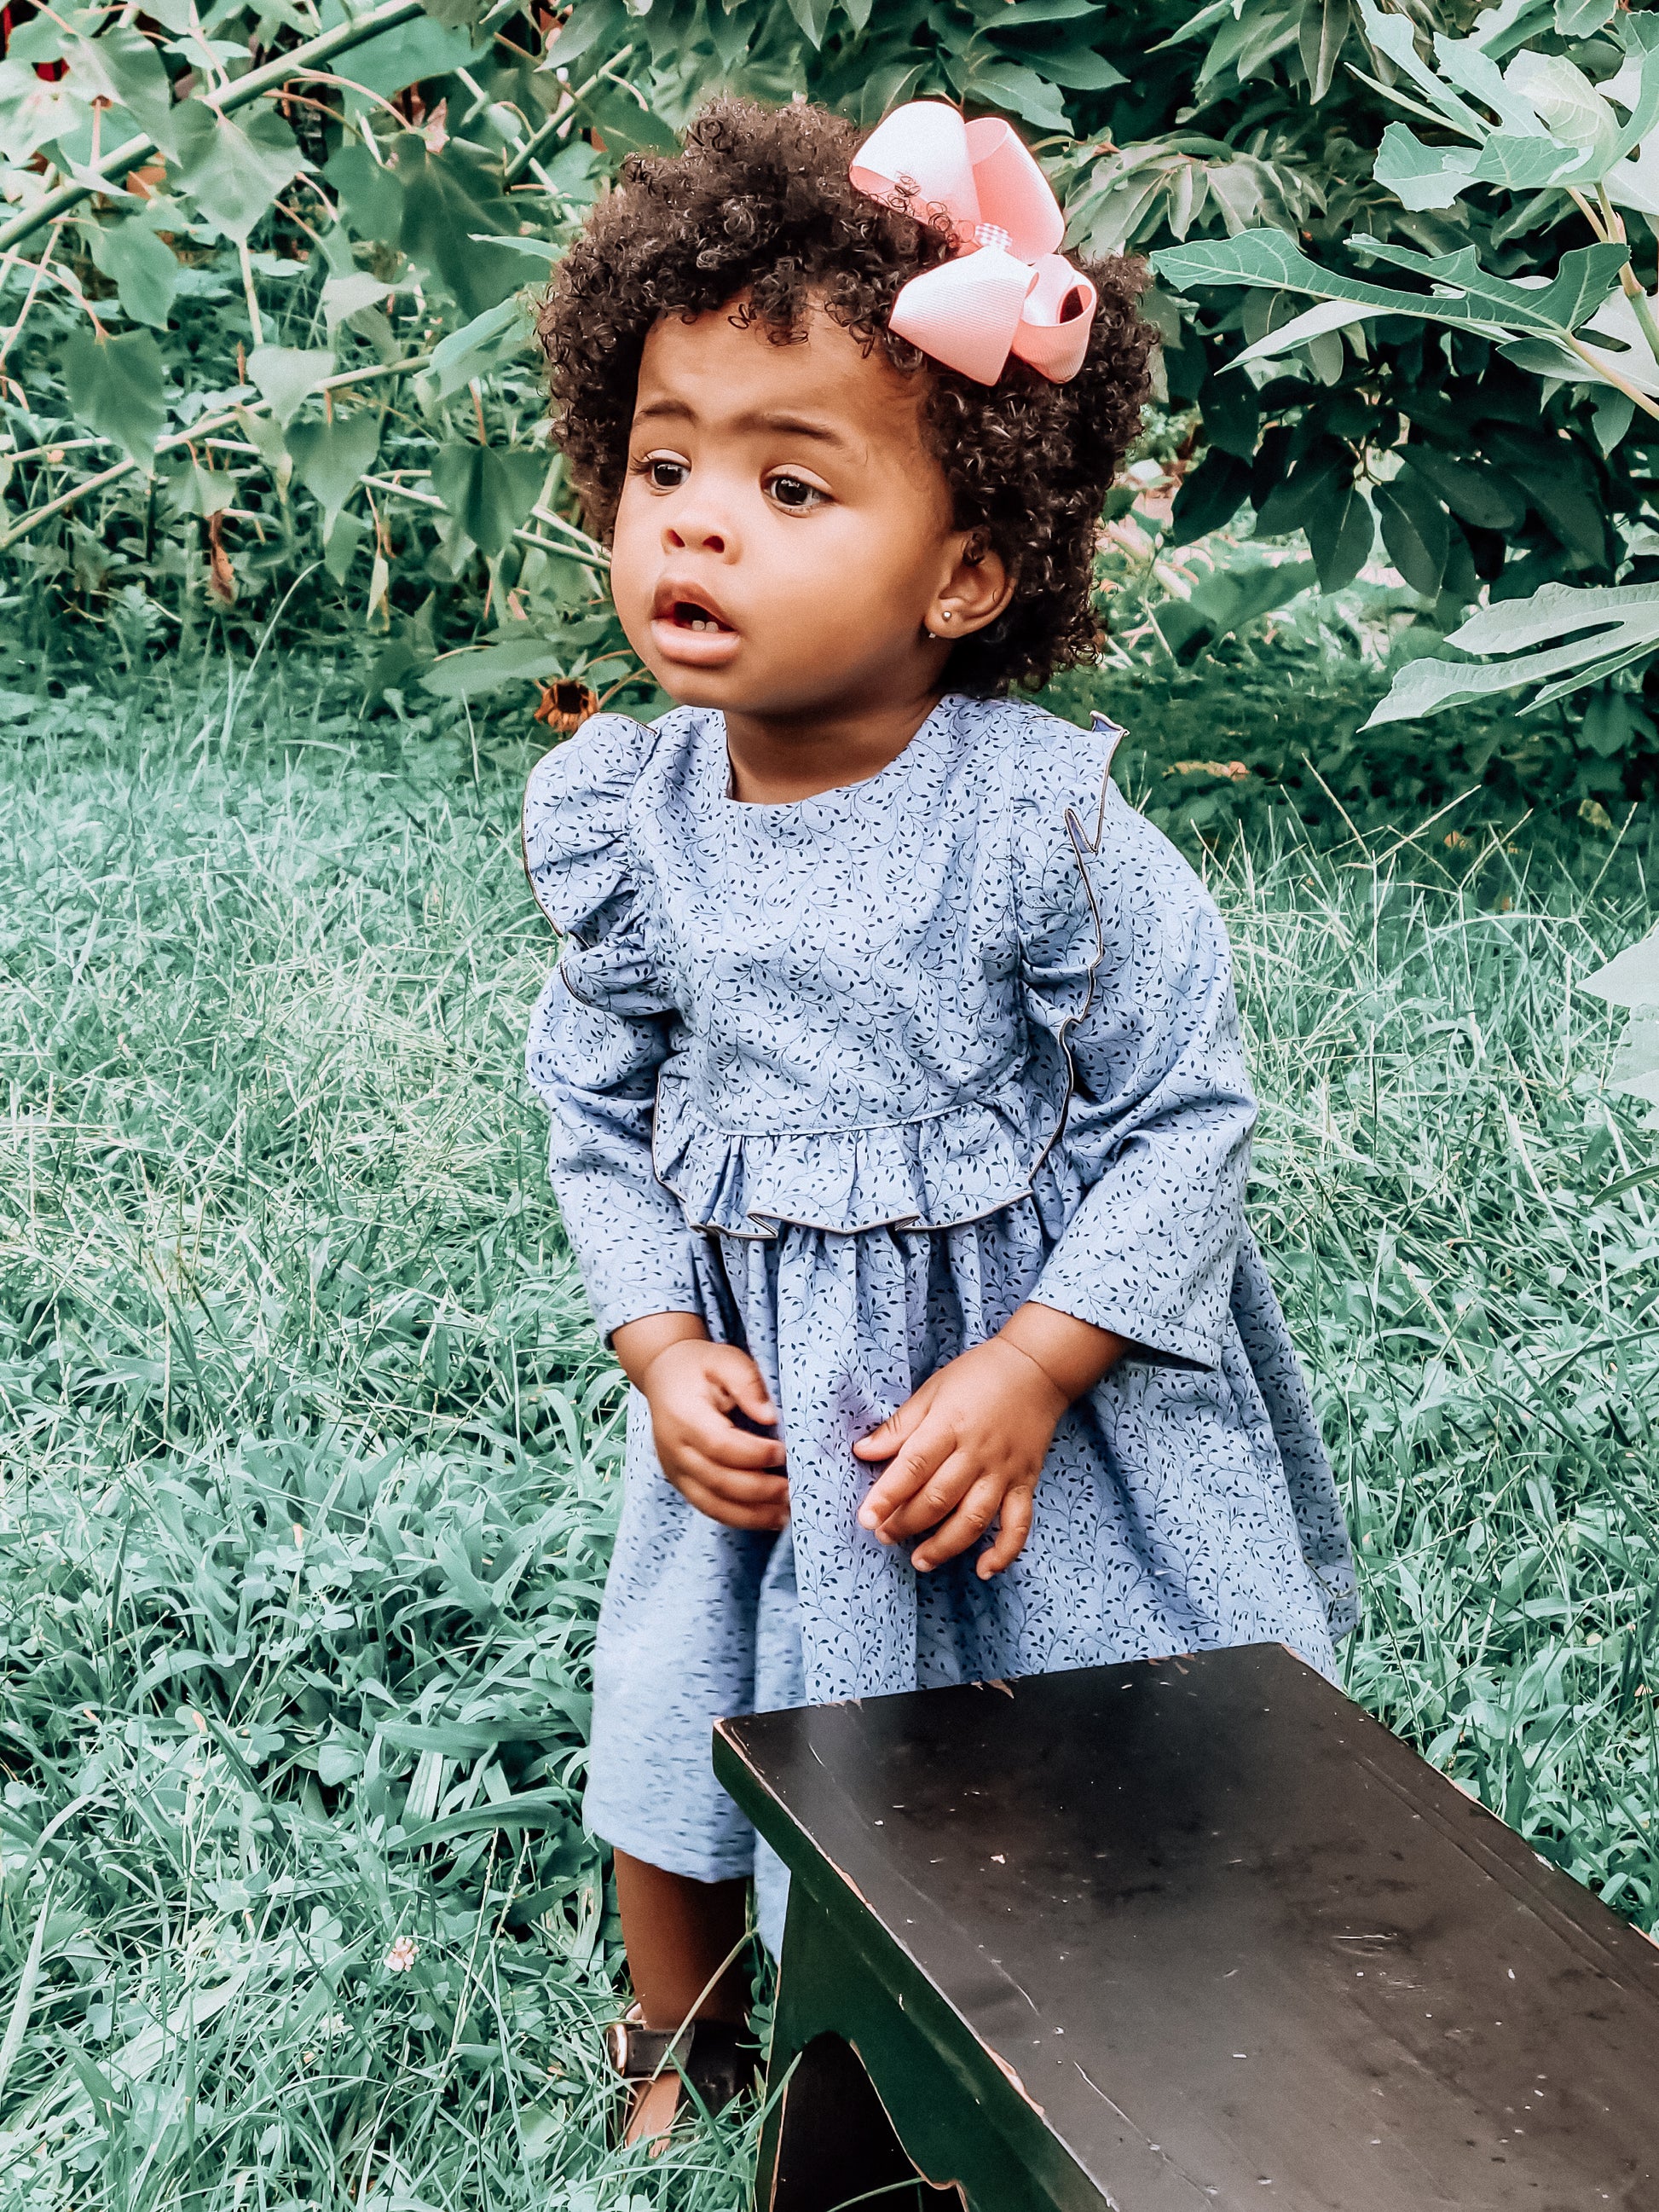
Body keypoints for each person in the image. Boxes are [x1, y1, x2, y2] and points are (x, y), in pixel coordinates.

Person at [522, 94, 1356, 2145]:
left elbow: (1185, 1115)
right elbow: (591, 1099)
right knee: (688, 1691)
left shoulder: (1040, 830)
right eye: (663, 464)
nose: (694, 524)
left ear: (967, 570)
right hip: (765, 1398)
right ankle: (680, 2038)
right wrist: (658, 1341)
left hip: (1009, 1395)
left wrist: (1035, 1365)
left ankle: (1079, 2005)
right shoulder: (633, 823)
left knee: (1067, 1715)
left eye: (791, 483)